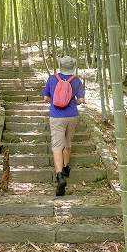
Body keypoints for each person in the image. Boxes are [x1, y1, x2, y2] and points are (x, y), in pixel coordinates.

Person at [42, 55, 85, 196]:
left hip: (56, 116)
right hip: (72, 116)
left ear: (60, 66)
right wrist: (71, 101)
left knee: (56, 146)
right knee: (67, 142)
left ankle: (60, 175)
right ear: (73, 67)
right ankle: (66, 167)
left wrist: (56, 100)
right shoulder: (77, 80)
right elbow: (81, 100)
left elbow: (46, 98)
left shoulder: (52, 78)